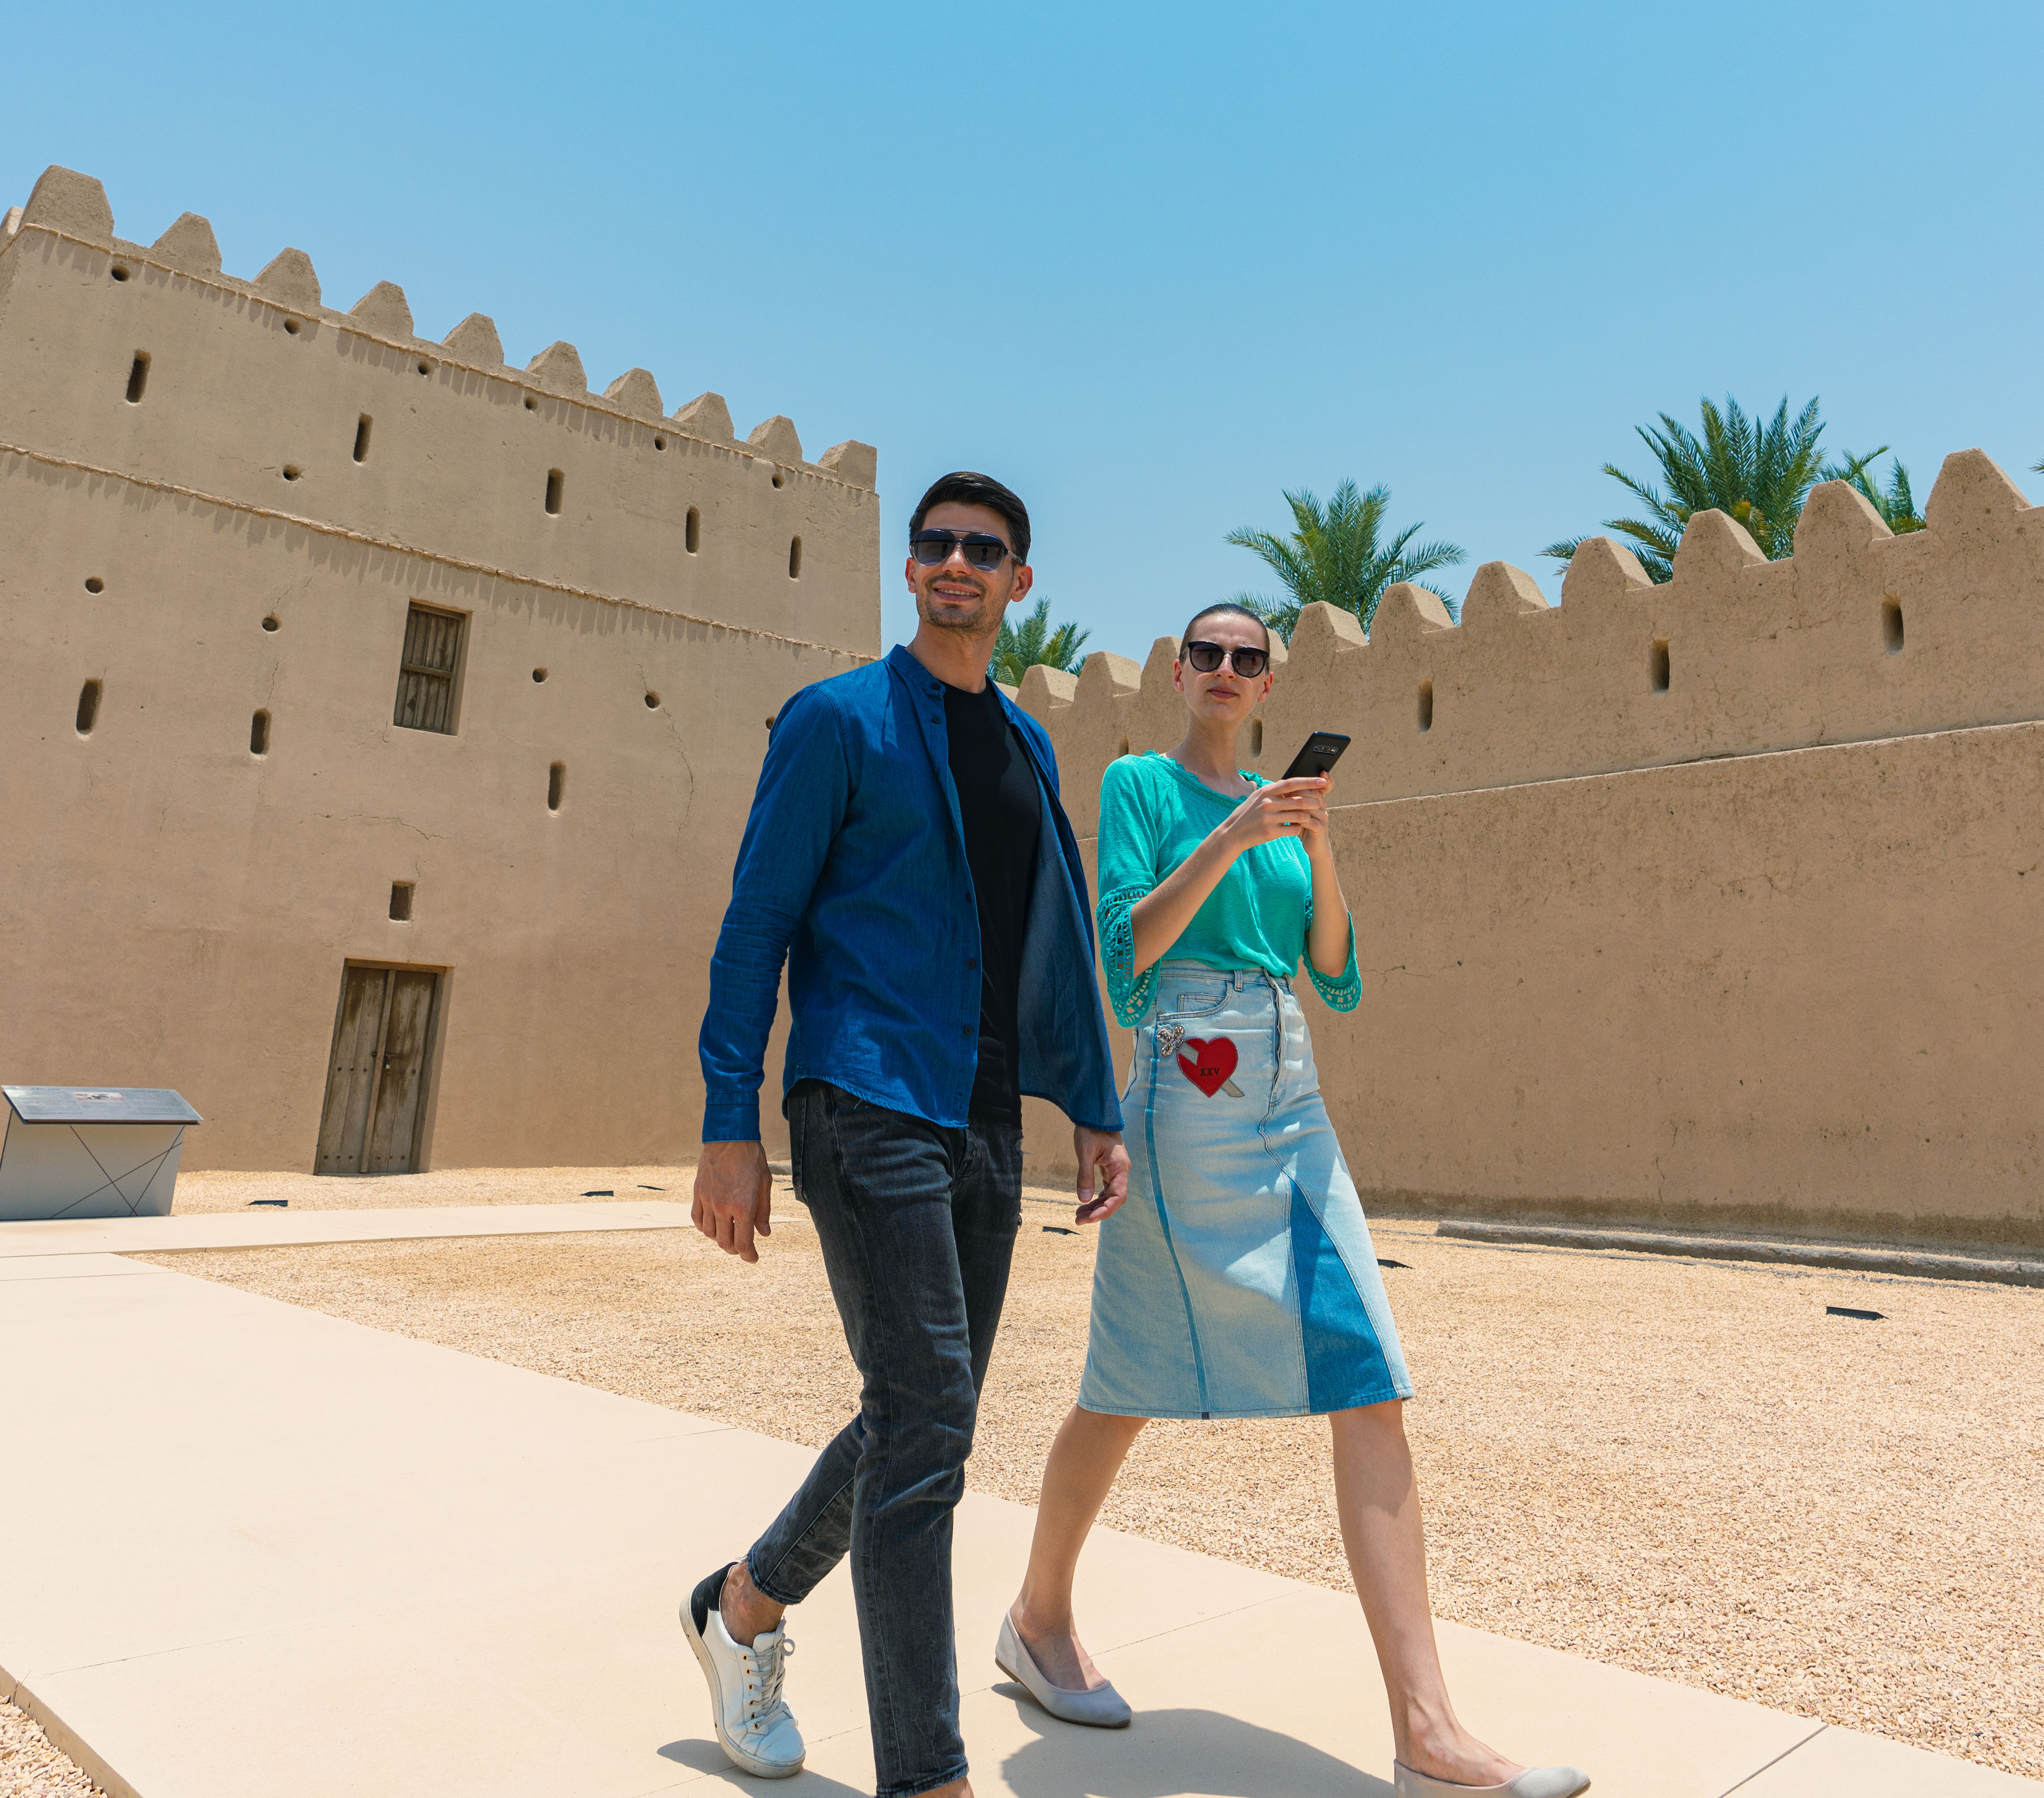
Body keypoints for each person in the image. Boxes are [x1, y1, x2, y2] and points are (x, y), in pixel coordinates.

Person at [998, 603, 1590, 1798]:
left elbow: (1336, 970)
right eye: (1205, 654)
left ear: (1272, 685)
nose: (1224, 671)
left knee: (1369, 1377)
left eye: (1247, 658)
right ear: (1178, 672)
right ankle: (1037, 1617)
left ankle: (1427, 1728)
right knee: (1123, 1385)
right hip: (1181, 1098)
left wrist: (1313, 843)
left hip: (1290, 1099)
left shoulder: (1286, 813)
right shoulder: (1138, 788)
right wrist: (1231, 838)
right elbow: (1128, 955)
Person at [682, 471, 1132, 1798]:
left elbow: (1043, 944)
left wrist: (1092, 1105)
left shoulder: (1028, 748)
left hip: (982, 1116)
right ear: (910, 569)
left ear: (1017, 583)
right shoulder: (836, 723)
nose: (954, 564)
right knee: (928, 1424)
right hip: (861, 1092)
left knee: (918, 1418)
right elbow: (754, 923)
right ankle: (926, 1777)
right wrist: (728, 1124)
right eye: (934, 545)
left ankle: (740, 1610)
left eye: (981, 550)